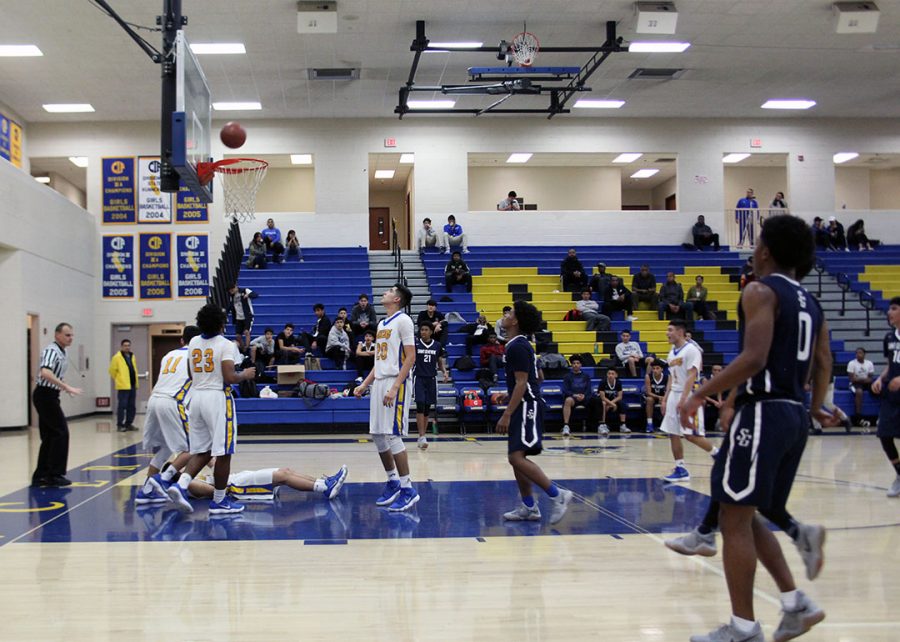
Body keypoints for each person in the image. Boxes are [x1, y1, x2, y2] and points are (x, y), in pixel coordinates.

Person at [679, 214, 831, 642]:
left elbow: (753, 358)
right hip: (793, 414)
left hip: (763, 412)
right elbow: (823, 363)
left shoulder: (759, 290)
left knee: (733, 515)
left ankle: (745, 627)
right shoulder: (812, 303)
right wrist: (816, 408)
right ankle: (795, 602)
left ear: (765, 249)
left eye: (758, 241)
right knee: (742, 513)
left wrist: (698, 395)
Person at [167, 303, 256, 515]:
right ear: (221, 323)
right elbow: (229, 377)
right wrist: (245, 374)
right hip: (216, 399)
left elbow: (190, 373)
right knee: (224, 452)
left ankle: (180, 485)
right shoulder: (225, 344)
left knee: (203, 450)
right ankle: (219, 501)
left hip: (195, 397)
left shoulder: (194, 342)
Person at [495, 300, 574, 524]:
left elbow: (523, 383)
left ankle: (558, 495)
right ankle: (529, 507)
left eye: (510, 311)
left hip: (527, 406)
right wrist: (509, 395)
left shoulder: (518, 346)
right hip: (523, 402)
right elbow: (532, 378)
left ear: (516, 320)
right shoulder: (516, 344)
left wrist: (507, 413)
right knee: (516, 458)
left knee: (516, 457)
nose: (506, 313)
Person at [353, 284, 420, 512]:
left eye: (389, 291)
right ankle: (392, 480)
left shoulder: (404, 321)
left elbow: (410, 357)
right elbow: (378, 362)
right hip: (380, 381)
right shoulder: (382, 323)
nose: (385, 293)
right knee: (378, 435)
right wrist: (364, 384)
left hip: (395, 382)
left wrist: (395, 386)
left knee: (392, 435)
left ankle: (408, 488)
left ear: (397, 299)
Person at [136, 325, 201, 504]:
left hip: (154, 399)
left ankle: (147, 490)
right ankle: (164, 478)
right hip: (173, 401)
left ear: (182, 340)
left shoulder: (169, 355)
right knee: (194, 447)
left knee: (165, 448)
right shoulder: (196, 357)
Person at [660, 320, 717, 483]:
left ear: (680, 332)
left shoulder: (692, 350)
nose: (667, 333)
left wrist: (684, 399)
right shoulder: (671, 352)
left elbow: (692, 376)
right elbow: (671, 377)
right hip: (674, 395)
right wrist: (665, 399)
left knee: (691, 434)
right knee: (673, 433)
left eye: (670, 330)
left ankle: (717, 454)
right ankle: (680, 468)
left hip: (689, 395)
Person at [31, 322, 82, 487]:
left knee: (49, 436)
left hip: (51, 394)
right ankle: (55, 474)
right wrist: (65, 386)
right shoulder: (51, 351)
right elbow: (45, 372)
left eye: (72, 335)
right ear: (57, 335)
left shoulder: (63, 352)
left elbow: (55, 374)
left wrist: (62, 385)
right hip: (44, 395)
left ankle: (41, 475)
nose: (71, 338)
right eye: (67, 335)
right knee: (61, 432)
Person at [185, 462, 348, 502]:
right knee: (282, 477)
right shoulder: (187, 485)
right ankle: (324, 489)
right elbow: (211, 491)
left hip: (236, 477)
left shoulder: (186, 477)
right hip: (234, 487)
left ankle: (325, 483)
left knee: (285, 471)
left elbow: (213, 462)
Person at [871, 296, 900, 498]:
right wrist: (880, 378)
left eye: (894, 308)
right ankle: (899, 475)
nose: (889, 312)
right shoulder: (889, 338)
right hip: (892, 395)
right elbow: (891, 364)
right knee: (884, 434)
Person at [413, 323, 449, 450]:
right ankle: (422, 436)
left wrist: (444, 372)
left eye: (426, 330)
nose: (423, 332)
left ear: (431, 332)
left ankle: (422, 436)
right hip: (419, 378)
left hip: (432, 378)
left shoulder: (437, 345)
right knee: (420, 406)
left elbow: (439, 362)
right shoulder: (415, 345)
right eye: (422, 329)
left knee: (427, 408)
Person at [108, 338, 139, 433]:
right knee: (122, 406)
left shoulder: (132, 356)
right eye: (125, 346)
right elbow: (112, 371)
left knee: (131, 406)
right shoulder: (117, 357)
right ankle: (120, 425)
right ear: (121, 347)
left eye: (128, 345)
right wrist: (119, 379)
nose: (127, 347)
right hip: (123, 386)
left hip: (132, 385)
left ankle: (129, 423)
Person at [561, 356, 592, 437]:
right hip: (573, 398)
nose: (576, 365)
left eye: (577, 363)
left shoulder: (586, 376)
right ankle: (566, 426)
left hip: (584, 397)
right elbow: (565, 390)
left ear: (581, 365)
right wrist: (574, 395)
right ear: (571, 365)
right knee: (568, 400)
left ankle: (600, 424)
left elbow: (589, 389)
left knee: (598, 400)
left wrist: (584, 395)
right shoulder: (567, 376)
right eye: (574, 363)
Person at [591, 368, 629, 434]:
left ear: (616, 375)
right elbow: (602, 397)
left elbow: (620, 396)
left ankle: (623, 425)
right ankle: (602, 425)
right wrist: (611, 404)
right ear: (607, 375)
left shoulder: (618, 382)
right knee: (603, 403)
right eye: (609, 374)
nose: (610, 375)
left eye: (612, 374)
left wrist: (612, 403)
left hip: (612, 400)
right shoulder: (603, 382)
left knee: (622, 404)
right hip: (602, 400)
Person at [847, 347, 875, 426]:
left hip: (865, 383)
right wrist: (863, 379)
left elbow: (870, 379)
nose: (858, 355)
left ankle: (880, 415)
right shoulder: (851, 363)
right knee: (859, 392)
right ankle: (858, 416)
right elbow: (852, 379)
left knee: (877, 389)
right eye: (857, 353)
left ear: (864, 354)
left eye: (860, 353)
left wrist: (859, 379)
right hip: (854, 384)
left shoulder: (869, 363)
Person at [226, 283, 258, 351]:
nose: (231, 292)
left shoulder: (244, 290)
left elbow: (255, 295)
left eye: (232, 290)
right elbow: (230, 306)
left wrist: (248, 295)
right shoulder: (232, 296)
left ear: (235, 287)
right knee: (238, 336)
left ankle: (247, 347)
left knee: (246, 332)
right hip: (238, 317)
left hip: (247, 316)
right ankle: (243, 348)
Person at [644, 360, 668, 433]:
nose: (655, 370)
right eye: (653, 368)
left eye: (657, 368)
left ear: (662, 369)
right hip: (653, 397)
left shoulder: (667, 377)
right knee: (649, 399)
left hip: (663, 397)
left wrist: (664, 398)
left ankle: (666, 424)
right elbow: (648, 392)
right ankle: (649, 423)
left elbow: (668, 391)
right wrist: (659, 397)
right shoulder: (648, 376)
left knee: (669, 400)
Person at [703, 364, 726, 430]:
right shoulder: (706, 379)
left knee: (723, 404)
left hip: (716, 400)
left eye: (719, 370)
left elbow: (719, 393)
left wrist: (719, 401)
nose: (717, 372)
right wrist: (714, 402)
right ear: (712, 371)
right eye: (715, 370)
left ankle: (722, 425)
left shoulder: (722, 380)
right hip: (708, 399)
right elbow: (704, 395)